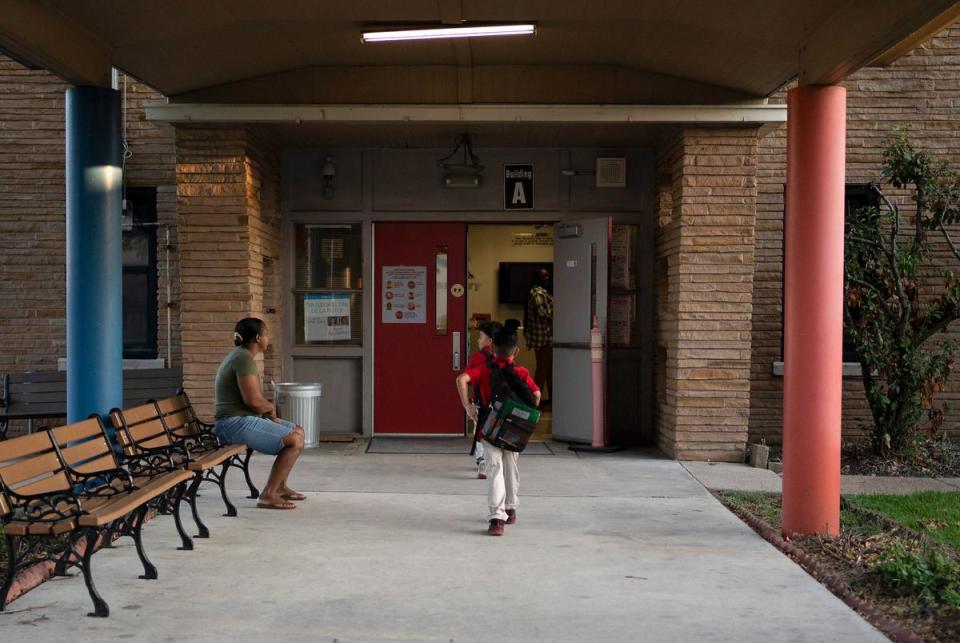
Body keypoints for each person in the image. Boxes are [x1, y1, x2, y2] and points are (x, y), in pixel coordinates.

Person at [456, 320, 541, 536]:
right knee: (511, 467)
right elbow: (536, 395)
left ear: (492, 349)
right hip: (514, 429)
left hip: (490, 427)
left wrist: (468, 406)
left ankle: (497, 518)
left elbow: (461, 379)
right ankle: (511, 508)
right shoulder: (521, 372)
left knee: (495, 469)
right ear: (517, 350)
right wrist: (525, 418)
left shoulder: (484, 369)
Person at [214, 317, 305, 510]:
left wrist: (267, 409)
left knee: (298, 431)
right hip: (232, 423)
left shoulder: (242, 357)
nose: (267, 338)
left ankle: (279, 487)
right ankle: (268, 495)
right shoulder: (243, 359)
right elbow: (253, 401)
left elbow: (252, 402)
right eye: (266, 334)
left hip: (240, 420)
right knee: (294, 440)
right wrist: (270, 408)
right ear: (257, 338)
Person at [465, 320, 503, 479]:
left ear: (490, 340)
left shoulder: (477, 358)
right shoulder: (504, 356)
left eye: (481, 336)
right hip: (500, 404)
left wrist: (468, 404)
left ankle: (481, 461)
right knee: (496, 432)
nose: (478, 339)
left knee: (480, 431)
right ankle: (495, 460)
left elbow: (466, 380)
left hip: (480, 402)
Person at [524, 267, 553, 408]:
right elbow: (543, 314)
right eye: (544, 276)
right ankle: (534, 402)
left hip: (544, 338)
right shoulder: (537, 293)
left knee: (548, 370)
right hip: (543, 338)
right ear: (538, 278)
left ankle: (550, 401)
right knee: (542, 370)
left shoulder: (539, 292)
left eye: (548, 276)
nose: (547, 278)